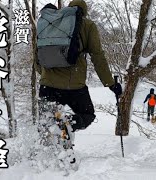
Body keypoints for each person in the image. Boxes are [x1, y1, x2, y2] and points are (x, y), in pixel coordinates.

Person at [36, 0, 122, 149]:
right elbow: (97, 56)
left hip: (47, 85)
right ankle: (68, 124)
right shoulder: (87, 25)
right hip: (74, 86)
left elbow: (37, 58)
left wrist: (46, 74)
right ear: (84, 11)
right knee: (87, 114)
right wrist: (110, 83)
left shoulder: (47, 23)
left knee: (46, 122)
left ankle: (42, 155)